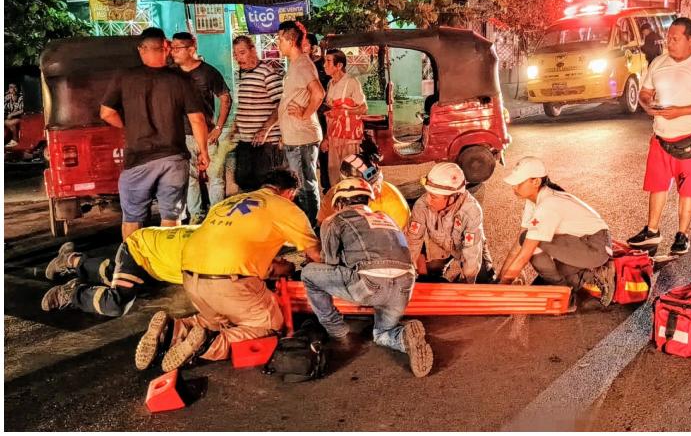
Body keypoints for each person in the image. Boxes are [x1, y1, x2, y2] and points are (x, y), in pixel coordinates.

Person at [134, 168, 322, 372]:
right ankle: (209, 343)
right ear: (290, 193)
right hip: (229, 282)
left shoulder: (227, 203)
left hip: (190, 279)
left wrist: (277, 265)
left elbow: (241, 249)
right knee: (269, 326)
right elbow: (315, 254)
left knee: (218, 320)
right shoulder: (283, 206)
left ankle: (173, 330)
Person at [302, 178, 433, 378]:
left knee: (309, 274)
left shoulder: (334, 220)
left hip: (370, 284)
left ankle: (336, 329)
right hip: (405, 285)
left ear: (339, 203)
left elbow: (330, 263)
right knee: (381, 334)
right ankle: (403, 337)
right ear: (367, 200)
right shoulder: (386, 218)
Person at [100, 27, 209, 240]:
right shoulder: (181, 80)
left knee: (132, 218)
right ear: (165, 48)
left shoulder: (125, 77)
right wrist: (203, 152)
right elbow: (197, 119)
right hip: (173, 158)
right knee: (172, 215)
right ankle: (165, 265)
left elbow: (106, 113)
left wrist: (127, 126)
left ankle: (132, 265)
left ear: (142, 49)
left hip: (137, 159)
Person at [627, 17, 691, 255]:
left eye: (675, 38)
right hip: (660, 137)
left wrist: (681, 111)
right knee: (657, 186)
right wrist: (649, 105)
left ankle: (682, 234)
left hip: (690, 138)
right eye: (668, 37)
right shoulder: (659, 62)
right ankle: (652, 231)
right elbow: (645, 92)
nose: (669, 42)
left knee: (686, 189)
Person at [496, 157, 616, 306]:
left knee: (533, 246)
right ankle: (584, 277)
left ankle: (569, 288)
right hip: (583, 245)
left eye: (519, 183)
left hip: (595, 247)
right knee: (546, 281)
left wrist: (501, 288)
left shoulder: (547, 205)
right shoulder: (533, 200)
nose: (514, 187)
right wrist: (500, 279)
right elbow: (518, 246)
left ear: (536, 182)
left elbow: (525, 253)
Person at [40, 226, 197, 317]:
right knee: (116, 303)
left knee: (114, 275)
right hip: (139, 251)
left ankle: (70, 260)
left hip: (153, 251)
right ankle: (72, 292)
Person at [261, 21, 326, 224]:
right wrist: (273, 128)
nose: (277, 44)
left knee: (305, 185)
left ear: (290, 40)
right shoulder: (295, 66)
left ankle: (311, 228)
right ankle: (304, 226)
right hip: (294, 137)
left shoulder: (303, 65)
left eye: (280, 39)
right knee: (298, 186)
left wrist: (305, 114)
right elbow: (287, 102)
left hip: (302, 138)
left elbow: (319, 93)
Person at [170, 32, 232, 223]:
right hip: (183, 135)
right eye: (172, 48)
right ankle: (196, 215)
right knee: (190, 179)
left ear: (191, 49)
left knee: (215, 177)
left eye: (177, 48)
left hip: (207, 133)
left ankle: (217, 216)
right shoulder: (172, 73)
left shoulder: (208, 72)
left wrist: (219, 127)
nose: (173, 52)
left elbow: (225, 98)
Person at [406, 162, 496, 284]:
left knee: (482, 280)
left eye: (433, 197)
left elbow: (471, 258)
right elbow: (413, 243)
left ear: (453, 197)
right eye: (427, 193)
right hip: (440, 246)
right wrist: (412, 277)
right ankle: (440, 269)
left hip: (467, 248)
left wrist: (463, 287)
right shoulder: (421, 205)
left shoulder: (472, 212)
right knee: (429, 274)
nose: (427, 199)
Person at [229, 35, 285, 193]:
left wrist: (265, 129)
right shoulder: (244, 75)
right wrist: (236, 126)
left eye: (242, 52)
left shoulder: (267, 73)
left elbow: (281, 104)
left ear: (253, 50)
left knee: (266, 187)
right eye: (235, 54)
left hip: (265, 145)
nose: (238, 58)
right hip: (246, 142)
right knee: (244, 184)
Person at [317, 152, 410, 230]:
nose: (377, 189)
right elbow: (323, 228)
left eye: (378, 182)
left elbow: (400, 243)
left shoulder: (395, 203)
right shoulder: (332, 197)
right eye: (371, 186)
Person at [322, 49, 368, 185]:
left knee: (351, 173)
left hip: (349, 137)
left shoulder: (352, 82)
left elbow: (363, 108)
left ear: (339, 65)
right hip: (334, 136)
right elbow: (330, 115)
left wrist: (342, 113)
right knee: (334, 174)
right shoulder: (330, 84)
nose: (324, 65)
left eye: (328, 61)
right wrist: (326, 138)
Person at [303, 33, 333, 192]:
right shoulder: (302, 66)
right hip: (307, 116)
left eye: (306, 45)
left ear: (314, 47)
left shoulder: (324, 67)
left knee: (325, 151)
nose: (303, 48)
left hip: (322, 116)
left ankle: (328, 187)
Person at [4, 83, 24, 147]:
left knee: (8, 122)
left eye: (15, 87)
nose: (13, 89)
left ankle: (15, 140)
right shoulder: (7, 97)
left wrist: (12, 114)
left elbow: (22, 110)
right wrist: (5, 100)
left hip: (22, 117)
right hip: (10, 118)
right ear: (9, 89)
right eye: (11, 87)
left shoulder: (20, 97)